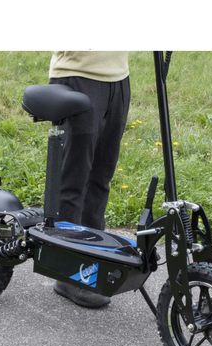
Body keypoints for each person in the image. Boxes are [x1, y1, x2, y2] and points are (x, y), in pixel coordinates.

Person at [48, 51, 131, 308]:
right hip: (78, 75)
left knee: (101, 177)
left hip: (118, 79)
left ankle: (92, 260)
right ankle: (68, 272)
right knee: (74, 179)